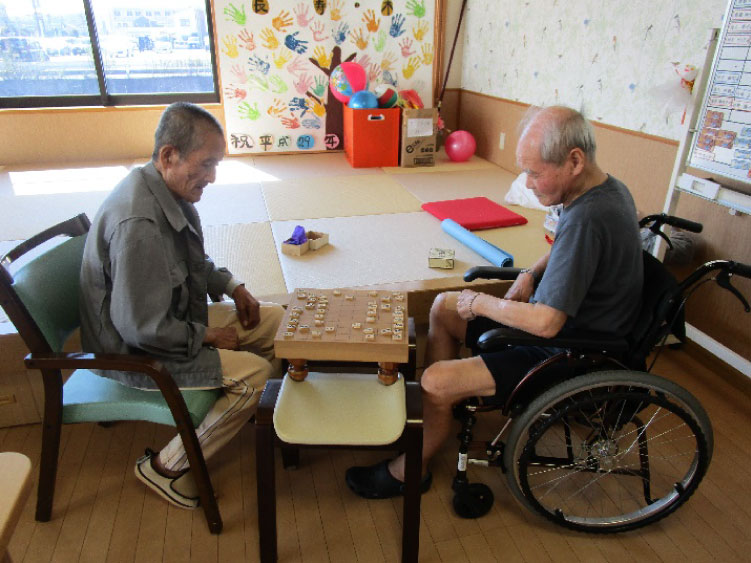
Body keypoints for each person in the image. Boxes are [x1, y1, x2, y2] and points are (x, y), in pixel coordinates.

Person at [345, 105, 644, 498]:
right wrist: (529, 274)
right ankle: (438, 416)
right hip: (569, 325)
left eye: (535, 173)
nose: (529, 183)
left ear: (574, 160)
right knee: (444, 308)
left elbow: (545, 324)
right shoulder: (605, 188)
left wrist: (484, 303)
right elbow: (564, 250)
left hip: (571, 348)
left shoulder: (590, 217)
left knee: (435, 377)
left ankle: (412, 467)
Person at [79, 102, 284, 509]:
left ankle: (246, 416)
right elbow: (139, 327)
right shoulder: (139, 224)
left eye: (216, 165)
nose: (212, 177)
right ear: (168, 155)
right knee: (256, 376)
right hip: (134, 350)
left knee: (274, 319)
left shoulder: (166, 189)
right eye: (206, 164)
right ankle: (166, 467)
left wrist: (232, 285)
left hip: (167, 318)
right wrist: (208, 335)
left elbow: (190, 261)